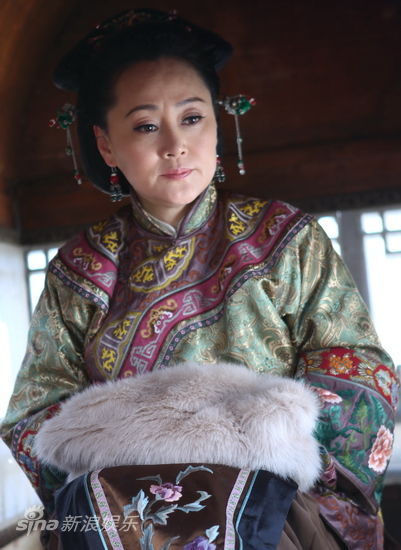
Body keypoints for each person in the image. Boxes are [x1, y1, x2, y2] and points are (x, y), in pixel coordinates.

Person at [1, 8, 399, 550]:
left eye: (192, 117)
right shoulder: (79, 271)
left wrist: (265, 446)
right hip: (125, 514)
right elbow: (34, 416)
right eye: (145, 126)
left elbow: (360, 368)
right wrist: (141, 462)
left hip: (280, 502)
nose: (174, 144)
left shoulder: (285, 238)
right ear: (105, 144)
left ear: (218, 124)